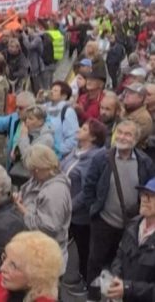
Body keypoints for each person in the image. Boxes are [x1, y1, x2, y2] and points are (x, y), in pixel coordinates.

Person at [83, 119, 155, 300]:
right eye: (120, 132)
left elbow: (148, 190)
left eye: (128, 134)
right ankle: (93, 296)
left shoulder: (145, 162)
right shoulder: (101, 158)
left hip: (130, 226)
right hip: (104, 222)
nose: (122, 137)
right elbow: (89, 187)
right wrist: (95, 212)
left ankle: (115, 294)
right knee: (96, 262)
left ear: (136, 139)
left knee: (123, 264)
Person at [60, 119, 107, 285]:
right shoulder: (75, 151)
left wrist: (69, 207)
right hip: (67, 208)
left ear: (93, 137)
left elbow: (87, 190)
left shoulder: (94, 158)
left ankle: (86, 281)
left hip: (80, 214)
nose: (79, 129)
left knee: (83, 248)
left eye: (84, 129)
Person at [13, 145, 72, 270]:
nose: (31, 173)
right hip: (34, 250)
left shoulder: (55, 193)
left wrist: (22, 210)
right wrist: (19, 196)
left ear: (41, 167)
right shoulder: (39, 179)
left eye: (33, 170)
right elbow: (27, 193)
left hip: (46, 258)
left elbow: (47, 229)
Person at [105, 176, 155, 302]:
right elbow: (120, 255)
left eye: (151, 196)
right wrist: (115, 277)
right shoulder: (133, 225)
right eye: (143, 194)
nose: (145, 199)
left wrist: (128, 288)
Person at [0, 91, 36, 169]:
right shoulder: (14, 118)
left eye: (20, 108)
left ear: (31, 108)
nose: (17, 111)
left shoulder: (42, 126)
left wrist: (24, 137)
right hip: (12, 168)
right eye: (16, 107)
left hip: (29, 170)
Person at [40, 80, 79, 157]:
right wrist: (38, 101)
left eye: (55, 90)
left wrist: (58, 150)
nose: (51, 92)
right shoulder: (44, 107)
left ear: (64, 96)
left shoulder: (68, 111)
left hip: (56, 155)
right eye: (51, 89)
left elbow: (73, 137)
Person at [121, 82, 153, 148]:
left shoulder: (144, 118)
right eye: (126, 92)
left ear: (140, 98)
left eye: (131, 93)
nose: (126, 95)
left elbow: (131, 140)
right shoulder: (123, 110)